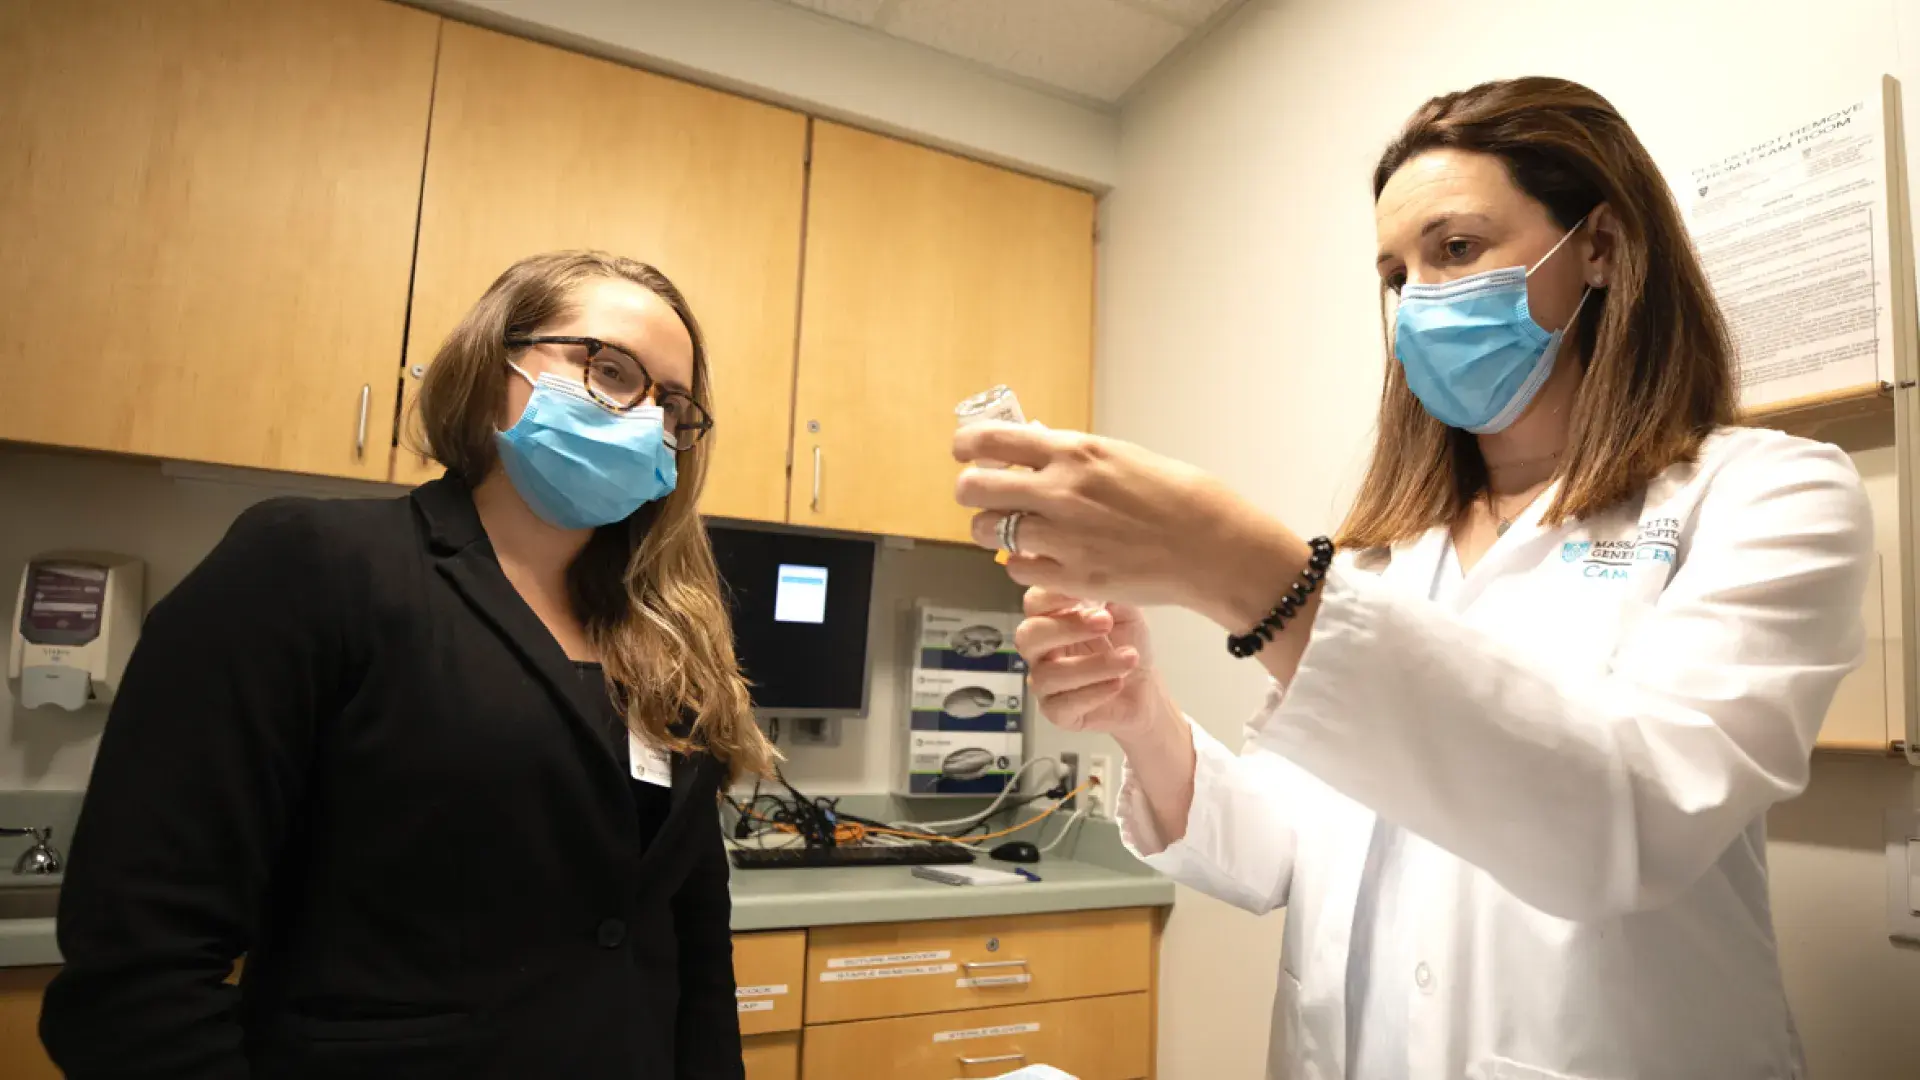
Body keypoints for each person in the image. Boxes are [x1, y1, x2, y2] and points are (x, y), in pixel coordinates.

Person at [953, 78, 1872, 1080]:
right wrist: (1143, 714)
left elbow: (1632, 819)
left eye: (1457, 249)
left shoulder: (1768, 498)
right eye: (1398, 273)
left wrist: (1249, 572)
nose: (1420, 301)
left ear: (1600, 248)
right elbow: (1277, 853)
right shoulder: (1383, 555)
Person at [42, 251, 769, 1080]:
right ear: (494, 359)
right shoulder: (316, 566)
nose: (646, 418)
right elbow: (137, 964)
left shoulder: (664, 639)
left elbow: (694, 949)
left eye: (673, 405)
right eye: (609, 371)